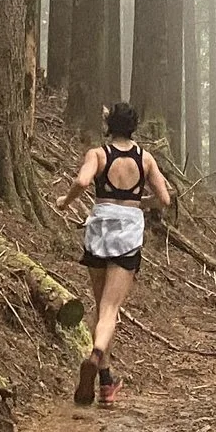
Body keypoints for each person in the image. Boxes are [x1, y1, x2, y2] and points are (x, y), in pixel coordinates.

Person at [54, 102, 173, 407]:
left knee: (99, 306)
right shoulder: (145, 159)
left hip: (99, 228)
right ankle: (95, 357)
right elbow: (164, 199)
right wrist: (139, 203)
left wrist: (66, 201)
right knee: (109, 310)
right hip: (128, 232)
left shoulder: (97, 154)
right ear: (133, 127)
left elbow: (82, 181)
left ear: (109, 125)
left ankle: (105, 380)